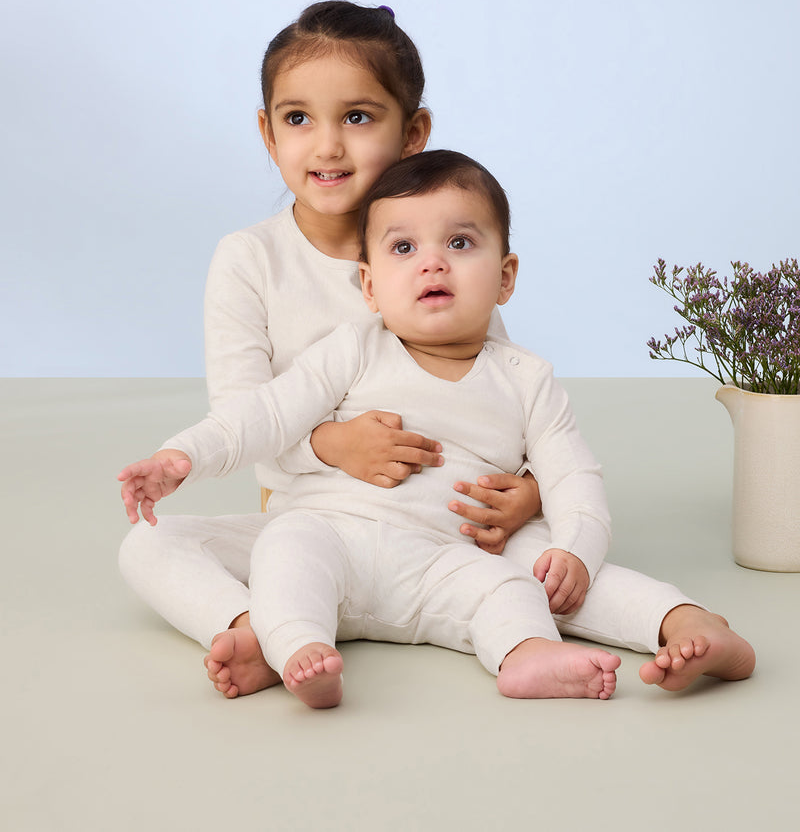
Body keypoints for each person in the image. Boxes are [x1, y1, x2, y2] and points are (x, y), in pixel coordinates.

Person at [119, 150, 756, 709]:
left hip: (462, 551)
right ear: (368, 284)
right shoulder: (353, 348)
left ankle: (665, 629)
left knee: (540, 578)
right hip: (332, 533)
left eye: (459, 243)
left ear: (505, 276)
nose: (432, 264)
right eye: (403, 248)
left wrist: (577, 552)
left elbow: (573, 476)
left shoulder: (525, 377)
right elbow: (264, 414)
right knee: (187, 545)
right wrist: (182, 457)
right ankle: (285, 643)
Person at [117, 2, 542, 699]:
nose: (326, 147)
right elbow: (245, 414)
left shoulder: (439, 260)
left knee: (561, 557)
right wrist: (330, 445)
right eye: (297, 118)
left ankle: (657, 625)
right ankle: (262, 626)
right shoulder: (249, 259)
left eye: (358, 117)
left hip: (437, 529)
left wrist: (528, 487)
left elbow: (499, 391)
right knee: (151, 546)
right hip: (312, 533)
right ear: (267, 130)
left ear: (414, 133)